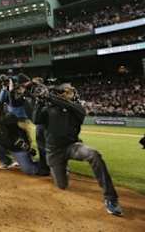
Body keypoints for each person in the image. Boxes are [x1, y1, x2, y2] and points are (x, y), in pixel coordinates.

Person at [33, 83, 123, 216]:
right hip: (54, 151)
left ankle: (111, 198)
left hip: (72, 146)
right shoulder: (49, 108)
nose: (73, 94)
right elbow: (36, 120)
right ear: (61, 93)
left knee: (93, 154)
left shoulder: (77, 108)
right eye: (69, 91)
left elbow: (67, 105)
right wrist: (39, 102)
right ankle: (65, 169)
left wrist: (49, 96)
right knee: (62, 185)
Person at [0, 104, 38, 174]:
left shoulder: (7, 118)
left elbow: (19, 129)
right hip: (7, 145)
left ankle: (45, 165)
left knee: (30, 170)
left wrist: (27, 148)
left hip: (18, 148)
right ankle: (7, 162)